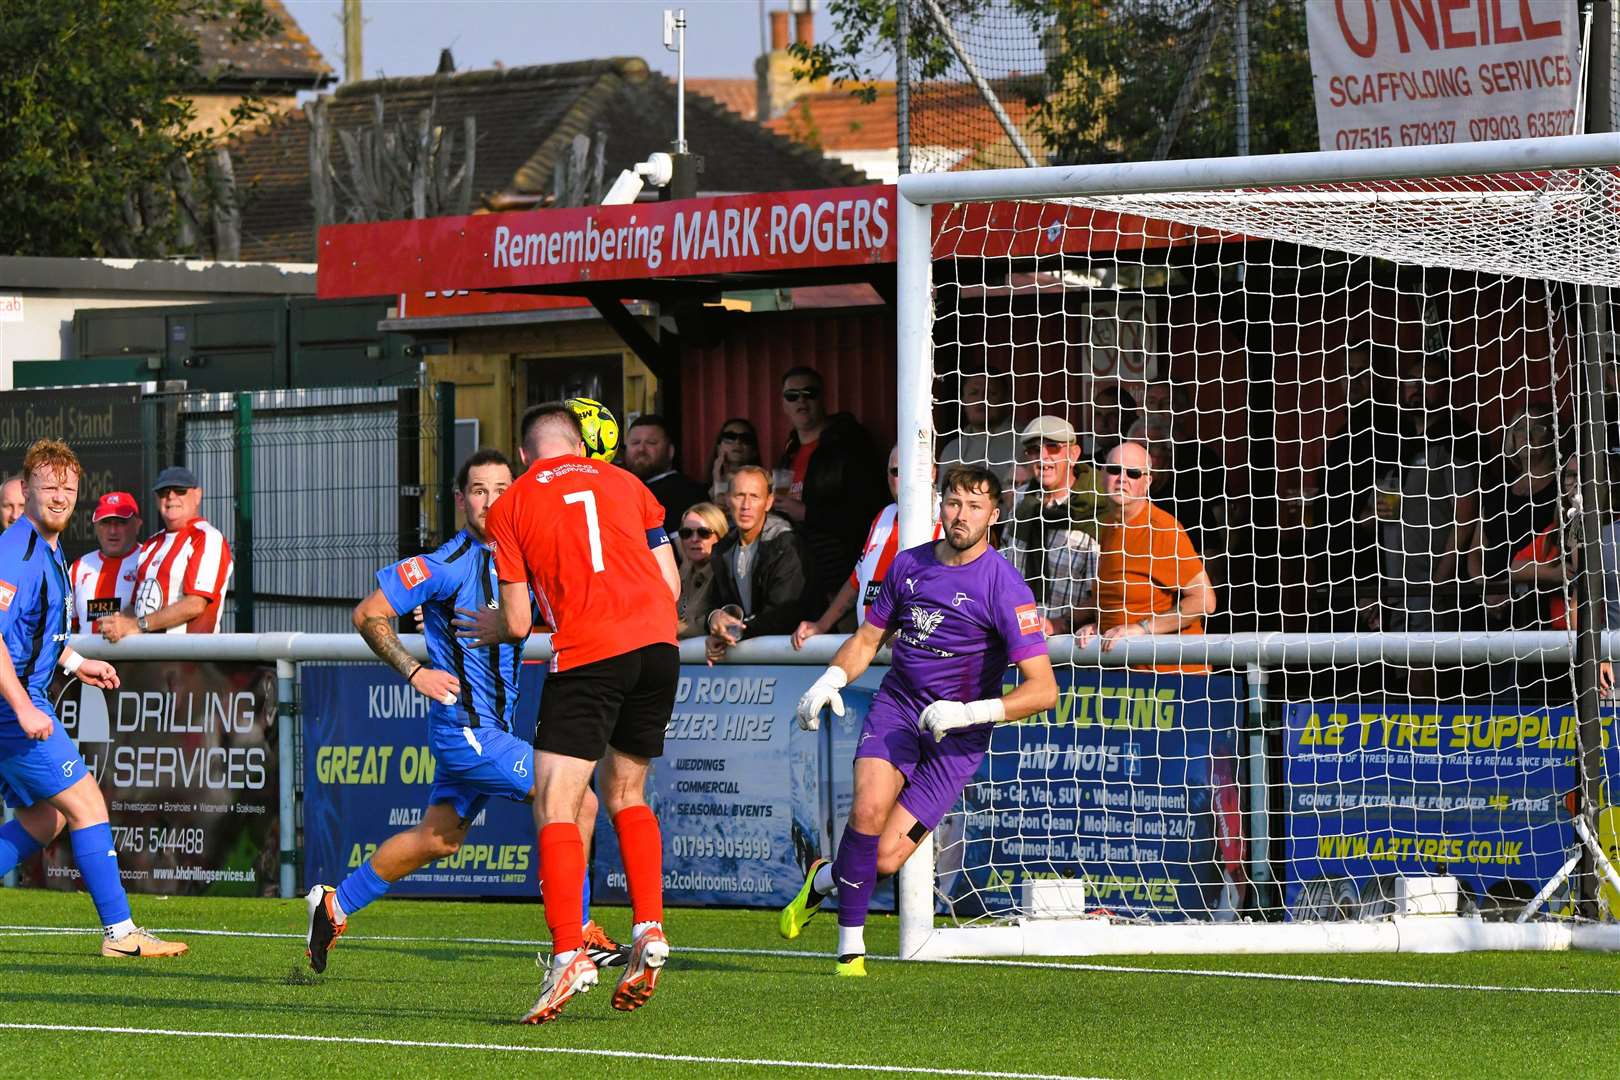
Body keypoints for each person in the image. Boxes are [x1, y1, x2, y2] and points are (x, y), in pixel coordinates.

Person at [303, 450, 626, 976]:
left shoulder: (524, 558)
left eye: (503, 489)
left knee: (438, 839)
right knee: (578, 802)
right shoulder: (445, 564)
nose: (491, 501)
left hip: (490, 729)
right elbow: (367, 613)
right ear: (460, 499)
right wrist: (414, 671)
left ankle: (334, 906)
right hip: (465, 732)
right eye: (479, 491)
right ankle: (579, 931)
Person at [780, 464, 1057, 975]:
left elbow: (1044, 690)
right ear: (940, 507)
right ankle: (850, 951)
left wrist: (972, 710)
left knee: (883, 861)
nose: (960, 515)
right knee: (865, 810)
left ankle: (822, 880)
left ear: (993, 516)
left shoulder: (1005, 585)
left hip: (959, 737)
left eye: (974, 506)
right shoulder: (909, 566)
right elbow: (867, 640)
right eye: (953, 503)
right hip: (900, 708)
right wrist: (830, 681)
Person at [480, 403, 681, 1024]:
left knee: (554, 801)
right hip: (658, 647)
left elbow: (516, 623)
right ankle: (648, 928)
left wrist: (495, 626)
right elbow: (670, 583)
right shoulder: (628, 483)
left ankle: (569, 950)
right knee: (627, 793)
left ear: (523, 455)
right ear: (579, 444)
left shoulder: (511, 505)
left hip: (591, 652)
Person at [0, 438, 186, 958]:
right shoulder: (18, 550)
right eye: (48, 485)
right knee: (87, 805)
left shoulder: (52, 547)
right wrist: (21, 707)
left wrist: (78, 664)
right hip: (12, 707)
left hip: (21, 699)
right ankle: (120, 934)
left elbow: (33, 635)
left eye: (68, 487)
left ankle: (121, 933)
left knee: (48, 818)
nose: (59, 495)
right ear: (27, 487)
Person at [1077, 440, 1217, 673]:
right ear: (1102, 475)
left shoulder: (1162, 529)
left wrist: (1142, 628)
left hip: (1175, 680)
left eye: (1133, 473)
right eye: (1114, 470)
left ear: (1147, 482)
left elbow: (1204, 601)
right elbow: (1121, 597)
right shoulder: (1108, 526)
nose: (1122, 479)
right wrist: (1097, 625)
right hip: (1130, 679)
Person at [793, 446, 941, 649]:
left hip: (922, 655)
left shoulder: (949, 519)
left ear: (932, 472)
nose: (901, 480)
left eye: (908, 470)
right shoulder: (884, 517)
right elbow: (857, 580)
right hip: (870, 652)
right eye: (895, 472)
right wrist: (822, 624)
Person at [773, 366, 889, 607]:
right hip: (800, 580)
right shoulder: (788, 453)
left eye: (809, 393)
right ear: (784, 405)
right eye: (792, 396)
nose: (801, 401)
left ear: (823, 398)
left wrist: (807, 513)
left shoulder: (848, 443)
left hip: (841, 578)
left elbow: (869, 513)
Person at [99, 465, 233, 641]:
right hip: (146, 656)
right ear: (156, 499)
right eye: (164, 492)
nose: (171, 496)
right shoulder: (151, 544)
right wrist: (118, 622)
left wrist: (137, 625)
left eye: (180, 490)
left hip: (188, 659)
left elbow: (195, 604)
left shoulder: (207, 537)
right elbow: (137, 604)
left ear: (198, 494)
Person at [1004, 416, 1105, 635]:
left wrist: (1058, 624)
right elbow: (1006, 570)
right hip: (1017, 636)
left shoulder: (1099, 505)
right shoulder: (1021, 501)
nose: (1042, 457)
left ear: (1073, 454)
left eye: (1052, 446)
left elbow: (1105, 593)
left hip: (1074, 643)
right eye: (1033, 450)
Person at [705, 466, 815, 662]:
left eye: (755, 496)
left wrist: (731, 632)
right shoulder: (723, 549)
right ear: (727, 499)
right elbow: (714, 603)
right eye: (739, 495)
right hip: (750, 662)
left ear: (769, 502)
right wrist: (714, 619)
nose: (746, 505)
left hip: (796, 660)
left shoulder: (786, 543)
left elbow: (782, 614)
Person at [938, 364, 1021, 505]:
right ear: (962, 400)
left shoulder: (1023, 441)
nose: (982, 399)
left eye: (991, 393)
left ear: (1007, 400)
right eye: (974, 393)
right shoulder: (952, 450)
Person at [68, 491, 142, 633]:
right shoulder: (79, 567)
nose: (112, 531)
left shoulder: (150, 560)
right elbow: (68, 626)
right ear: (95, 526)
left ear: (137, 524)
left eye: (121, 523)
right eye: (105, 523)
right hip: (85, 655)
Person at [621, 414, 706, 536]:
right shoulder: (624, 488)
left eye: (651, 443)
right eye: (635, 442)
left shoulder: (685, 492)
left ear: (670, 451)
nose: (641, 449)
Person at [676, 502, 727, 639]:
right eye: (686, 533)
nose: (694, 539)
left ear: (720, 535)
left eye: (703, 533)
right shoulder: (679, 576)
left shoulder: (725, 574)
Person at [706, 417, 761, 507]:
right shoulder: (700, 491)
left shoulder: (763, 489)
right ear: (718, 448)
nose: (737, 442)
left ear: (754, 451)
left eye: (745, 438)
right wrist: (717, 478)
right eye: (729, 437)